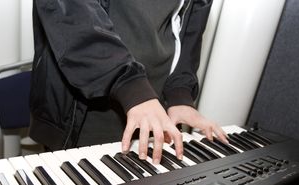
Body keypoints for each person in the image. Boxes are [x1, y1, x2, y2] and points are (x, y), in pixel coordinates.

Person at [29, 0, 227, 165]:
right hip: (85, 109)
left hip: (154, 108)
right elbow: (72, 15)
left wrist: (180, 94)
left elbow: (188, 30)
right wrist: (132, 88)